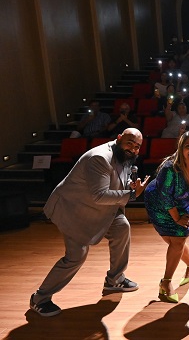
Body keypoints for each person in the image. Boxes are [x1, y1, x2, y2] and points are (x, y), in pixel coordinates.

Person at [30, 128, 150, 317]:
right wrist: (133, 194)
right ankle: (40, 298)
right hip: (73, 209)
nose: (133, 149)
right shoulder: (99, 158)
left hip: (97, 208)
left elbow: (116, 182)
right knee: (76, 256)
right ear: (119, 138)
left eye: (137, 146)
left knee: (121, 227)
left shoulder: (124, 156)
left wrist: (129, 186)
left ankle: (115, 279)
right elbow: (99, 195)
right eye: (130, 143)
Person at [144, 130, 189, 303]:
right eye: (188, 146)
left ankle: (166, 282)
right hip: (158, 204)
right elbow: (165, 196)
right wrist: (176, 218)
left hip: (182, 204)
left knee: (178, 241)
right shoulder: (170, 168)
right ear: (181, 149)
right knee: (173, 241)